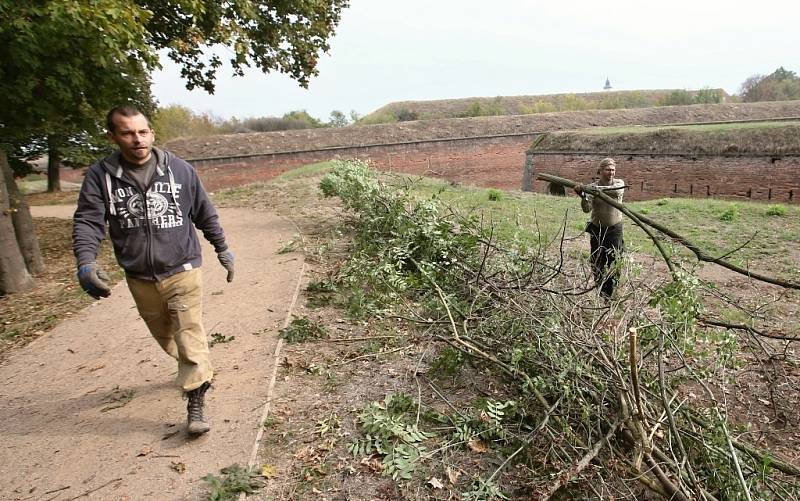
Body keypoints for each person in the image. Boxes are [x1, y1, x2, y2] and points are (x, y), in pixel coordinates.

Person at [72, 104, 234, 436]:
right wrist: (86, 262)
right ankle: (196, 365)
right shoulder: (100, 176)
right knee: (166, 334)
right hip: (139, 275)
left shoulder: (181, 170)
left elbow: (205, 213)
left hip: (183, 267)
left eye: (142, 132)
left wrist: (222, 248)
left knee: (188, 331)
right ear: (112, 136)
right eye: (127, 133)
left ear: (152, 133)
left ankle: (196, 397)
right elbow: (88, 222)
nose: (136, 139)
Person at [574, 158, 625, 299]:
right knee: (597, 261)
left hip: (614, 230)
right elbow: (586, 209)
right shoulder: (591, 188)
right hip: (597, 230)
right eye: (608, 169)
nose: (611, 172)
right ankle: (601, 291)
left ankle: (612, 292)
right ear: (600, 171)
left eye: (613, 169)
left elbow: (616, 192)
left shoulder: (619, 184)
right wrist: (582, 195)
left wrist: (595, 190)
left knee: (614, 261)